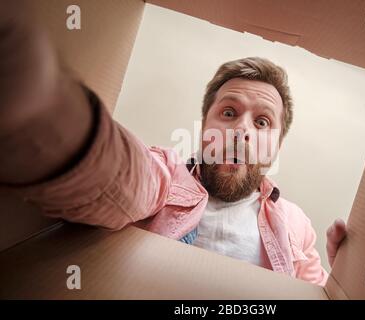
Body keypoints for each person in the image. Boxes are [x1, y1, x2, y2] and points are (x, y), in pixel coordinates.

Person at [0, 1, 346, 286]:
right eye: (228, 113)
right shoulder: (165, 175)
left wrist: (343, 275)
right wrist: (50, 113)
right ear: (204, 127)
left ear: (276, 148)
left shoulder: (296, 224)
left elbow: (316, 292)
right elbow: (122, 177)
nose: (241, 131)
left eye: (261, 122)